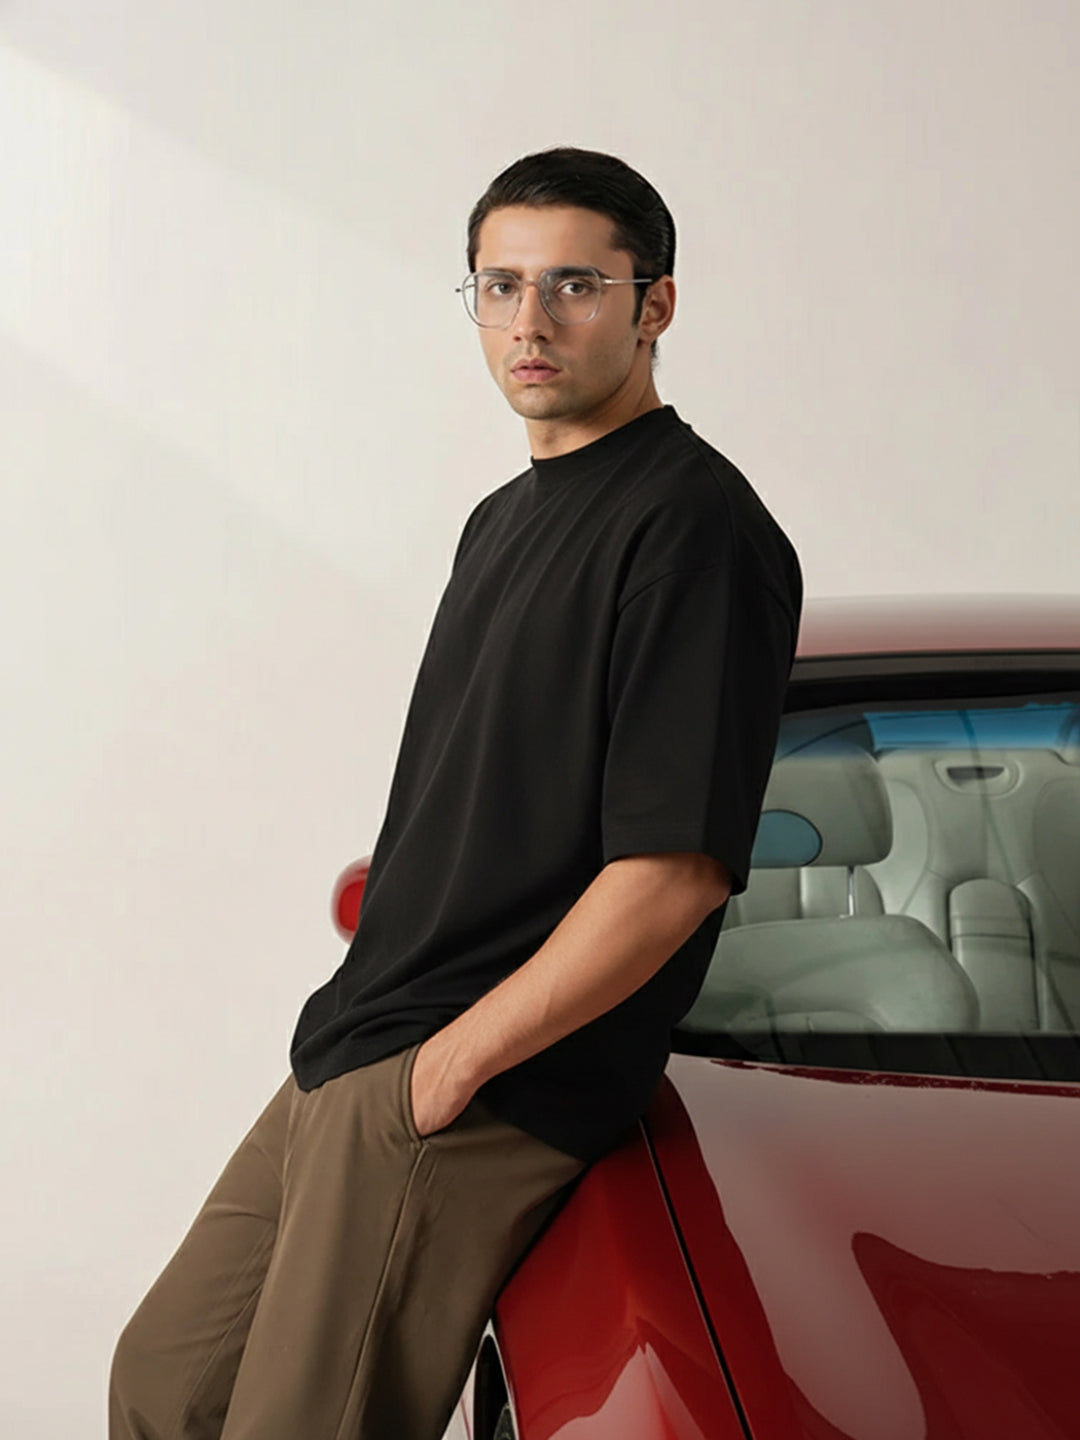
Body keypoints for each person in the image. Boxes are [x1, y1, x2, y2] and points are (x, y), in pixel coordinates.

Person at [108, 145, 803, 1440]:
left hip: (480, 1084)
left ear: (654, 304)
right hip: (360, 1043)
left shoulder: (694, 529)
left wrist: (453, 1069)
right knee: (164, 1384)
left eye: (576, 284)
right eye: (500, 285)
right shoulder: (504, 519)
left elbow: (672, 874)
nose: (530, 321)